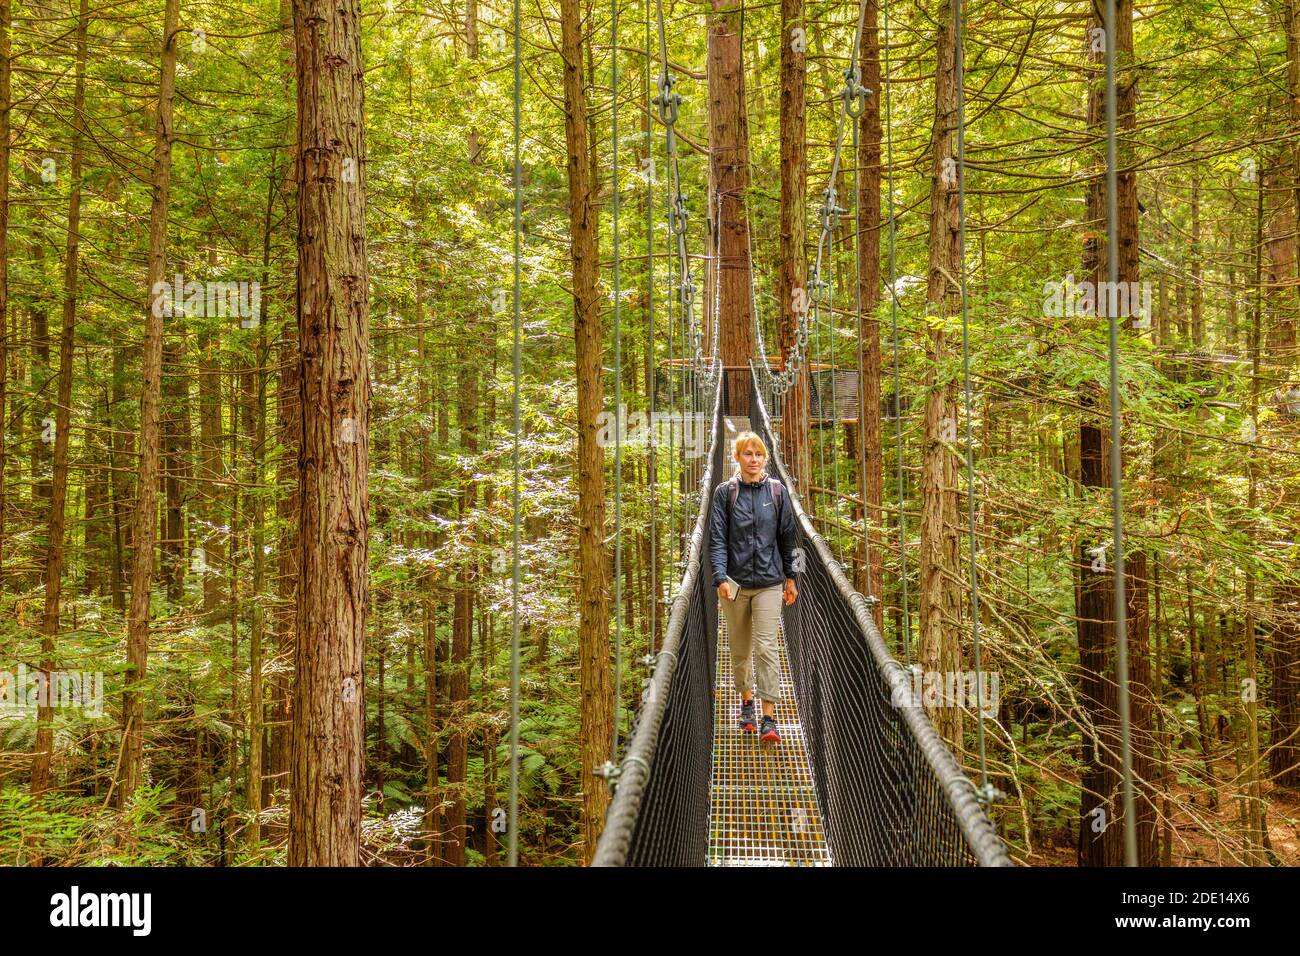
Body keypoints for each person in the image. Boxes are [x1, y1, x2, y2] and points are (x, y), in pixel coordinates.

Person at [708, 430, 798, 743]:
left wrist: (792, 576)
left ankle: (769, 718)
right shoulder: (725, 493)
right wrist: (720, 576)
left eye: (759, 454)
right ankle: (746, 703)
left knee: (766, 648)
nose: (754, 460)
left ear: (765, 458)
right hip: (734, 583)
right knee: (740, 649)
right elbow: (717, 538)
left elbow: (789, 537)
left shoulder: (777, 491)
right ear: (737, 457)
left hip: (770, 584)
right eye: (748, 454)